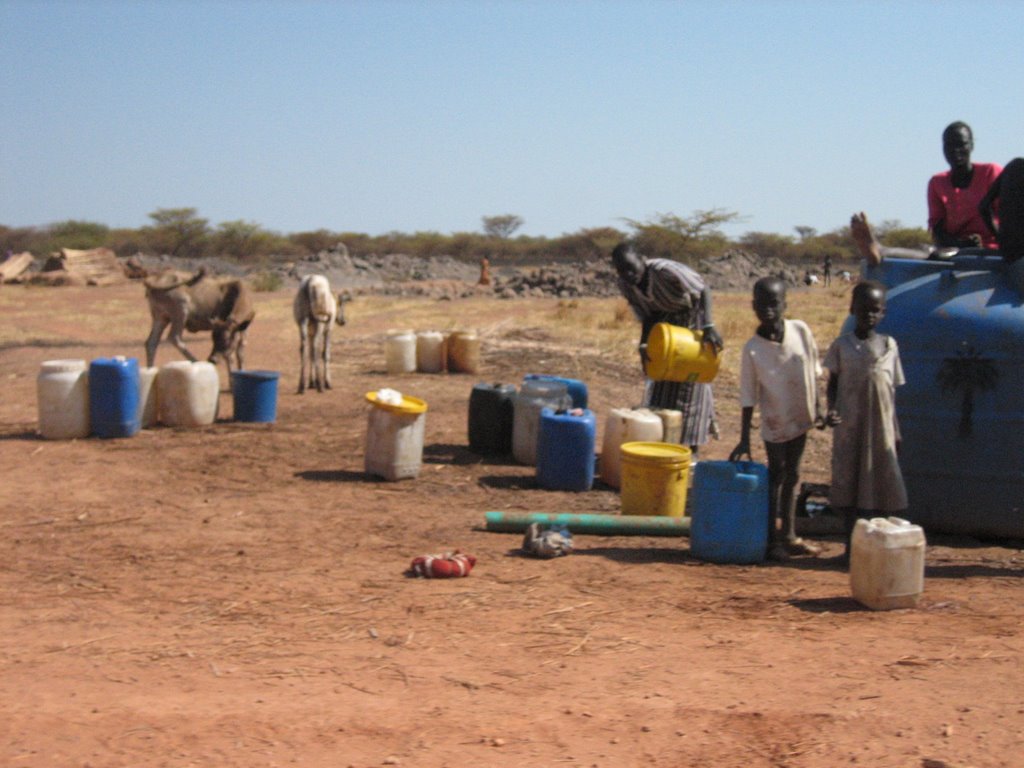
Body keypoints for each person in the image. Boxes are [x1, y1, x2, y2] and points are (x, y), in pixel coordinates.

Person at [729, 276, 823, 560]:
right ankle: (772, 541)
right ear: (753, 306)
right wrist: (745, 438)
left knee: (793, 474)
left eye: (774, 304)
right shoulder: (753, 349)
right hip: (775, 421)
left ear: (785, 304)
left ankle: (790, 534)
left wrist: (818, 409)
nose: (767, 310)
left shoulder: (801, 330)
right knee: (776, 476)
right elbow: (748, 397)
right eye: (761, 304)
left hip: (800, 414)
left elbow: (814, 370)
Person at [823, 281, 908, 561]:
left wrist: (895, 429)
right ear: (852, 309)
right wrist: (832, 409)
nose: (869, 316)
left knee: (880, 481)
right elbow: (833, 383)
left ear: (883, 312)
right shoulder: (842, 346)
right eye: (863, 310)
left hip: (881, 427)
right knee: (848, 482)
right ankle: (850, 548)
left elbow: (892, 391)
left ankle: (878, 546)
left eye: (875, 311)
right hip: (850, 425)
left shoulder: (889, 346)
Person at [612, 242, 723, 454]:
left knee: (691, 386)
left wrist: (709, 325)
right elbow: (647, 316)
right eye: (621, 270)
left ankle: (692, 451)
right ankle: (664, 445)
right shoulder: (626, 285)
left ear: (642, 259)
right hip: (663, 330)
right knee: (661, 383)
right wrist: (644, 345)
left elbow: (703, 289)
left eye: (631, 267)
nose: (628, 274)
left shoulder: (665, 271)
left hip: (692, 322)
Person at [928, 122, 1002, 249]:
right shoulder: (937, 183)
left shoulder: (990, 173)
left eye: (961, 145)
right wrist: (962, 245)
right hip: (956, 254)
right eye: (949, 145)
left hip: (995, 252)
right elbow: (938, 230)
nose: (955, 151)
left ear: (971, 145)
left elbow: (1010, 218)